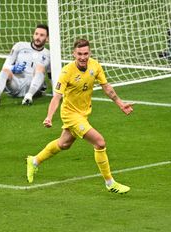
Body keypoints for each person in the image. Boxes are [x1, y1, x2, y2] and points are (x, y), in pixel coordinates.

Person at [26, 39, 133, 194]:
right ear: (73, 54)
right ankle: (110, 183)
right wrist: (49, 117)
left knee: (64, 144)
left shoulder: (95, 66)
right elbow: (56, 97)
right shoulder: (66, 72)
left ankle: (34, 160)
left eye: (86, 54)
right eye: (80, 54)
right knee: (100, 142)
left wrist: (120, 104)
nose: (83, 57)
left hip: (84, 113)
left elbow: (107, 88)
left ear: (90, 53)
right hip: (70, 115)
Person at [0, 24, 51, 107]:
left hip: (34, 88)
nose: (38, 37)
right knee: (5, 71)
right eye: (36, 34)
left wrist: (58, 92)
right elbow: (6, 66)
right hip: (16, 84)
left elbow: (51, 76)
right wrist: (13, 68)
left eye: (42, 35)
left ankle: (28, 96)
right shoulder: (19, 46)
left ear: (47, 38)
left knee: (40, 68)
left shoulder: (49, 54)